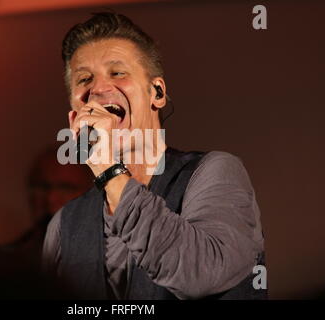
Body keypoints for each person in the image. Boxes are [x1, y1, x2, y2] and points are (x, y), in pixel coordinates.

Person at [43, 12, 267, 300]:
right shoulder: (64, 225)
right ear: (74, 112)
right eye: (84, 79)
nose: (98, 89)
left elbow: (199, 274)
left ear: (157, 92)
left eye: (117, 72)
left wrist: (107, 168)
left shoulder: (214, 172)